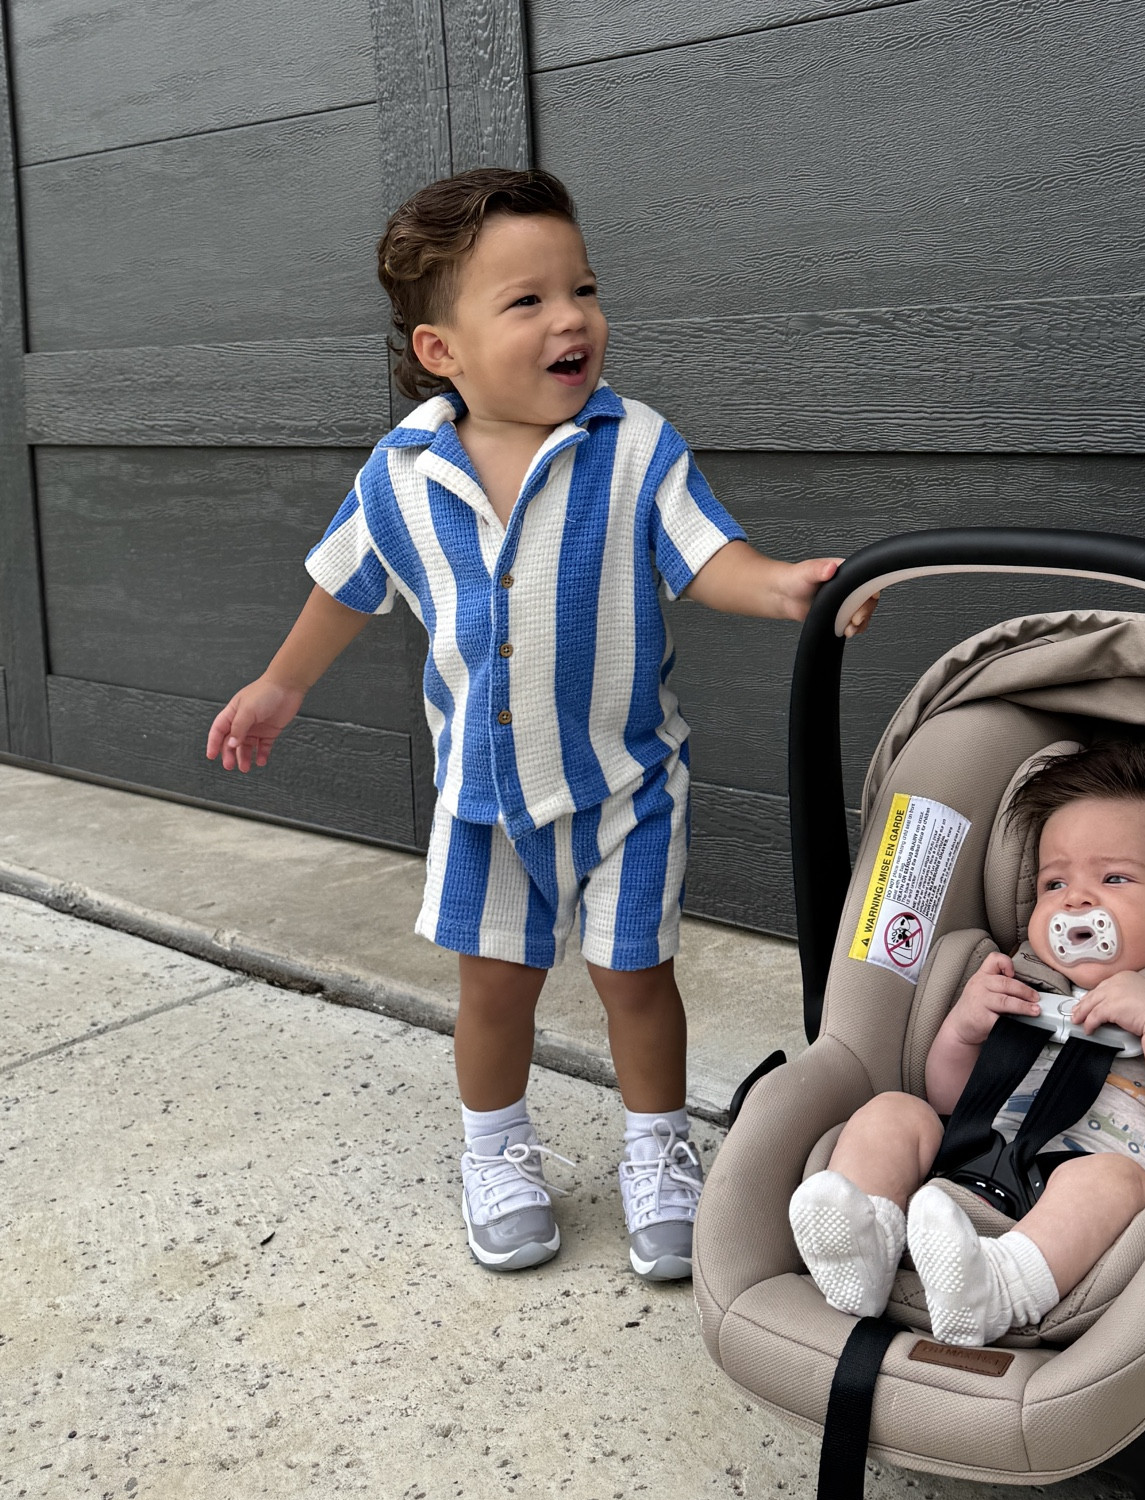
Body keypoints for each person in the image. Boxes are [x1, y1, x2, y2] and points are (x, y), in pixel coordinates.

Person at [206, 168, 871, 1283]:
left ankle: (657, 1152)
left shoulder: (634, 445)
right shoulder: (403, 473)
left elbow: (711, 558)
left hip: (626, 785)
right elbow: (344, 588)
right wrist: (281, 685)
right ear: (441, 350)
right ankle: (496, 1152)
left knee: (637, 976)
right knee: (494, 988)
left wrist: (787, 586)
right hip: (484, 799)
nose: (572, 317)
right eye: (526, 301)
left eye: (585, 287)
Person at [788, 743, 1145, 1346]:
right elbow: (952, 1099)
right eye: (1055, 882)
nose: (1075, 900)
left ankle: (1002, 1289)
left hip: (1083, 1208)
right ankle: (863, 1240)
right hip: (965, 1174)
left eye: (1114, 878)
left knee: (1107, 1180)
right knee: (895, 1112)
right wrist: (965, 1030)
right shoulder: (1019, 986)